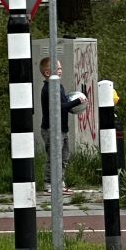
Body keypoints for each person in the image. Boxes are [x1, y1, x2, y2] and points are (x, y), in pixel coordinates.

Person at [39, 56, 76, 193]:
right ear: (47, 73)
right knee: (54, 158)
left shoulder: (59, 86)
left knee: (64, 157)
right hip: (51, 129)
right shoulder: (48, 89)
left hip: (62, 129)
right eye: (57, 68)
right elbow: (60, 107)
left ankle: (60, 182)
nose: (60, 70)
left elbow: (65, 103)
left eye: (60, 68)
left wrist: (74, 103)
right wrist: (78, 101)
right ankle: (48, 184)